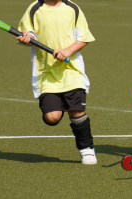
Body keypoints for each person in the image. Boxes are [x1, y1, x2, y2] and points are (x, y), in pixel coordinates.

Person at [16, 0, 97, 165]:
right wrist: (27, 38)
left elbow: (84, 38)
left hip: (71, 70)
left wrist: (67, 50)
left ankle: (87, 149)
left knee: (76, 111)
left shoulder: (72, 8)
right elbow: (28, 34)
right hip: (46, 72)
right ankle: (54, 109)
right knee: (52, 117)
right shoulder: (34, 9)